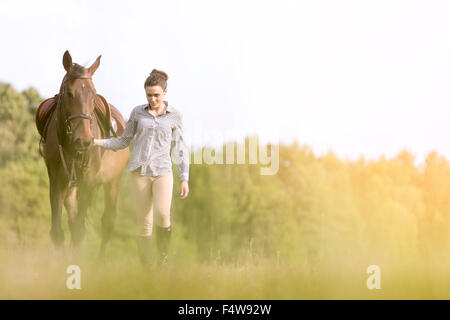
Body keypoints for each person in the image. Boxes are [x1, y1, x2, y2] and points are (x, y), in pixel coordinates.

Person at [93, 69, 190, 267]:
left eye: (156, 95)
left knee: (163, 214)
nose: (153, 99)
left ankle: (162, 260)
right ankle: (147, 270)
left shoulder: (175, 116)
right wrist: (97, 142)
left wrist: (184, 177)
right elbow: (124, 140)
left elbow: (180, 147)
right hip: (139, 173)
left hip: (163, 171)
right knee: (144, 223)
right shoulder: (137, 113)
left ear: (165, 92)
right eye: (149, 95)